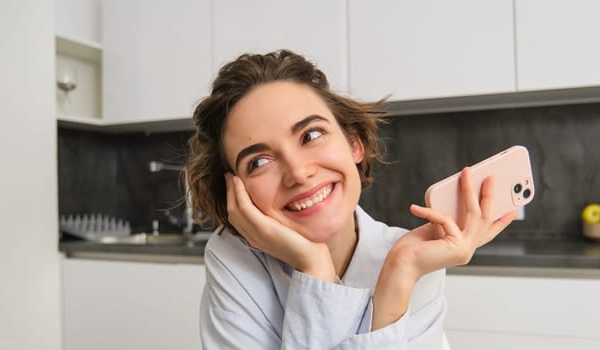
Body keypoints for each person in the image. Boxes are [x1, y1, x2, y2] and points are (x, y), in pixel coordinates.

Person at [184, 49, 517, 349]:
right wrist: (314, 268)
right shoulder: (234, 259)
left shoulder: (415, 256)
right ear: (235, 191)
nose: (298, 173)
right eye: (258, 162)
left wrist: (400, 274)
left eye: (311, 135)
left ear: (354, 143)